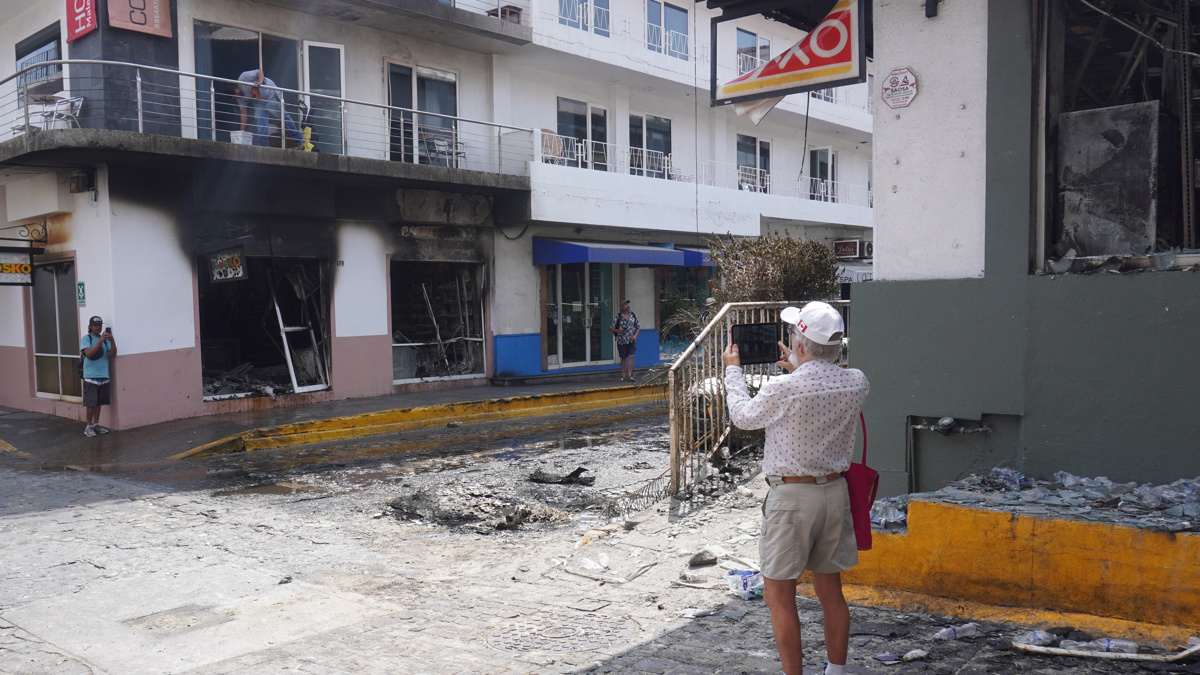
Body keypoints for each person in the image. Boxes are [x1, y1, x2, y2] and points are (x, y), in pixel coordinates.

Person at [722, 302, 868, 675]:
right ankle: (835, 670)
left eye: (792, 336)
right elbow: (820, 387)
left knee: (779, 594)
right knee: (830, 591)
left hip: (791, 499)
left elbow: (743, 415)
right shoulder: (856, 382)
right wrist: (801, 368)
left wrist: (732, 371)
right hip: (834, 494)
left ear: (801, 345)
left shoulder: (784, 389)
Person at [237, 68, 302, 147]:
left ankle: (298, 141)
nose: (237, 96)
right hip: (259, 102)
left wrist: (260, 82)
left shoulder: (243, 77)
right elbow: (243, 114)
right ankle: (265, 147)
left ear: (236, 87)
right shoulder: (239, 97)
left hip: (270, 94)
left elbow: (260, 71)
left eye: (236, 93)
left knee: (284, 118)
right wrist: (241, 132)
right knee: (261, 125)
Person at [80, 315, 116, 437]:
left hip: (103, 376)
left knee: (99, 403)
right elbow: (89, 354)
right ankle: (88, 426)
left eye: (100, 326)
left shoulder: (105, 340)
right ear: (90, 326)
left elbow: (112, 354)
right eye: (95, 325)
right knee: (91, 403)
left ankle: (96, 424)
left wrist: (111, 340)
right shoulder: (87, 339)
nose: (98, 328)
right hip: (90, 376)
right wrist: (100, 341)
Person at [611, 299, 640, 382]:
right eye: (625, 305)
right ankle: (623, 375)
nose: (627, 306)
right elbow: (611, 329)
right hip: (621, 341)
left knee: (631, 356)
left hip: (631, 340)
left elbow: (638, 327)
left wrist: (635, 336)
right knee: (623, 358)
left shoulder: (633, 315)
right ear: (622, 307)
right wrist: (618, 331)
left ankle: (630, 375)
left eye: (627, 304)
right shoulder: (618, 317)